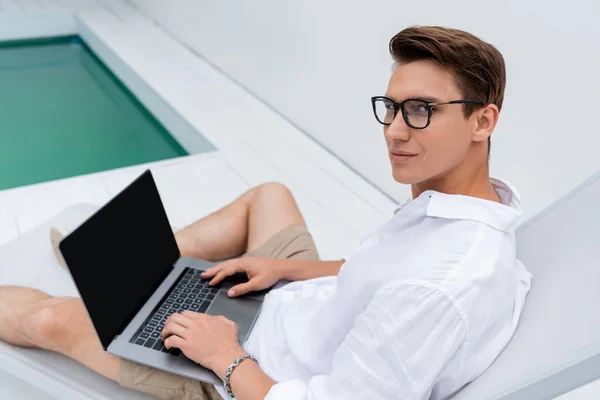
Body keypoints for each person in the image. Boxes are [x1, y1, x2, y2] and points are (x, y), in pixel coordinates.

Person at [0, 25, 532, 400]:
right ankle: (129, 269)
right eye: (391, 107)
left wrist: (224, 356)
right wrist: (286, 270)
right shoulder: (471, 209)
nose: (394, 129)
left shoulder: (438, 288)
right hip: (292, 305)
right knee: (269, 193)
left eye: (420, 111)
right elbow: (384, 273)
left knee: (51, 319)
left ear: (483, 122)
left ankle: (117, 281)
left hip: (251, 371)